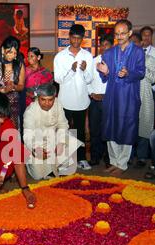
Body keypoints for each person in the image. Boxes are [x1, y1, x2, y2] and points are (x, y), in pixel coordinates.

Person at [96, 19, 145, 175]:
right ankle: (114, 161)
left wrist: (128, 73)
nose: (119, 36)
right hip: (112, 96)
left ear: (130, 33)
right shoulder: (109, 52)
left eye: (123, 33)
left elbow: (141, 72)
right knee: (110, 127)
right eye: (116, 33)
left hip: (129, 96)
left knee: (127, 127)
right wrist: (104, 72)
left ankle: (122, 164)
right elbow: (105, 77)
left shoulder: (138, 52)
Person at [54, 24, 94, 171]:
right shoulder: (60, 56)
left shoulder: (88, 56)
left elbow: (89, 80)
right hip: (65, 100)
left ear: (83, 39)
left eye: (79, 38)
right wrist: (71, 70)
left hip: (82, 101)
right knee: (64, 131)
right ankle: (64, 160)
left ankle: (81, 158)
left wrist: (83, 71)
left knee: (80, 131)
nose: (76, 41)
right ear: (69, 37)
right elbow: (58, 79)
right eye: (74, 37)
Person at [23, 83, 82, 180]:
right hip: (37, 144)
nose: (47, 103)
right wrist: (35, 149)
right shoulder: (30, 111)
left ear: (55, 97)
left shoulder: (58, 104)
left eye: (50, 100)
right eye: (43, 100)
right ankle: (30, 164)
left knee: (68, 139)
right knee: (38, 176)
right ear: (38, 98)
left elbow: (63, 124)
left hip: (54, 139)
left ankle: (57, 164)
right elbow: (28, 136)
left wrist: (61, 142)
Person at [130, 32, 155, 168]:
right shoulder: (125, 59)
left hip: (145, 96)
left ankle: (141, 157)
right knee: (129, 127)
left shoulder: (149, 59)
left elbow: (154, 78)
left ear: (141, 43)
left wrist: (141, 68)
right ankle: (128, 156)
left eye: (136, 42)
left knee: (144, 126)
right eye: (131, 42)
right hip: (128, 97)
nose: (133, 45)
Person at [0, 35, 25, 130]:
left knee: (12, 135)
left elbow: (21, 86)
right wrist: (2, 90)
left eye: (15, 53)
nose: (12, 56)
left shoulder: (19, 65)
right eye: (9, 52)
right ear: (3, 50)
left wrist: (13, 86)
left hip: (13, 107)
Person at [87, 34, 113, 167]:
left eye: (106, 45)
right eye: (101, 45)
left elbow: (116, 83)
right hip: (95, 100)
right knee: (94, 129)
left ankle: (109, 158)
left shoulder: (116, 61)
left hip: (109, 101)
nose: (103, 48)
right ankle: (95, 157)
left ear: (112, 46)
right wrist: (92, 93)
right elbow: (88, 80)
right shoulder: (94, 61)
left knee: (108, 130)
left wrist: (105, 95)